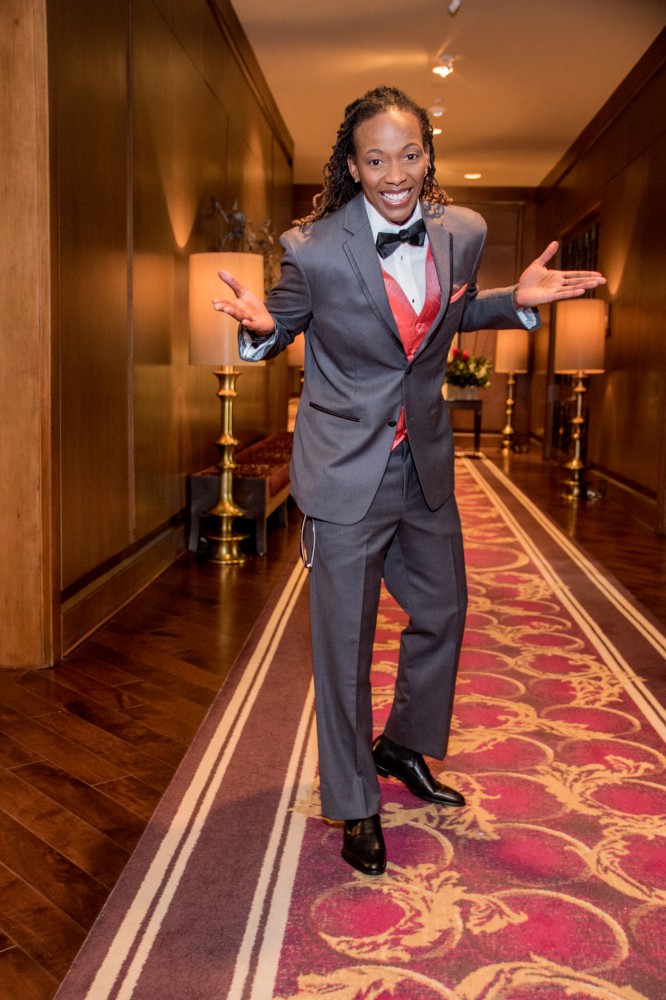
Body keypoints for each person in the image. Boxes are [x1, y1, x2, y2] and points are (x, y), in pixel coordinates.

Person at [212, 86, 606, 876]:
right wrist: (262, 332)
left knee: (443, 610)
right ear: (353, 166)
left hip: (422, 463)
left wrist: (512, 303)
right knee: (344, 645)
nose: (394, 174)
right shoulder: (313, 248)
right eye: (376, 160)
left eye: (409, 155)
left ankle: (401, 745)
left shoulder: (464, 231)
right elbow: (281, 322)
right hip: (343, 472)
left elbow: (445, 315)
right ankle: (354, 799)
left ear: (428, 157)